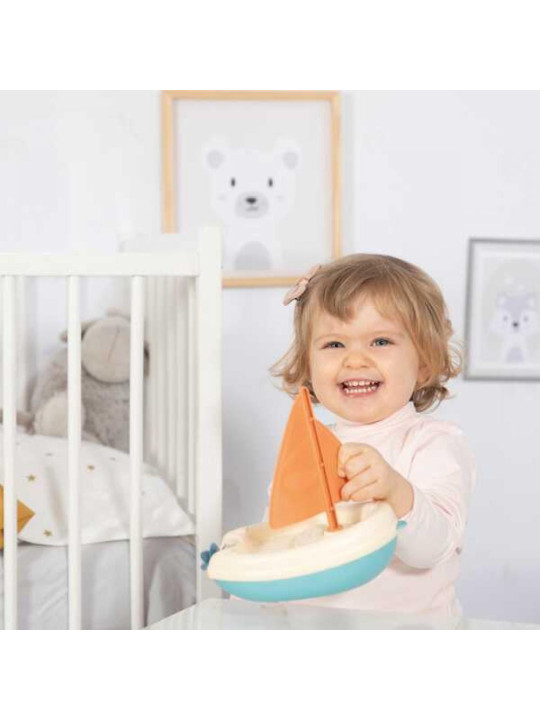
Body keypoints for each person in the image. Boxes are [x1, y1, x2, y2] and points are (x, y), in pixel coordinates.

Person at [269, 254, 476, 617]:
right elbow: (282, 543)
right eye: (334, 345)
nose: (355, 360)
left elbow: (434, 547)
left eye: (380, 341)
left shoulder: (432, 443)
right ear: (308, 364)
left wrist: (396, 492)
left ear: (424, 363)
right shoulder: (308, 447)